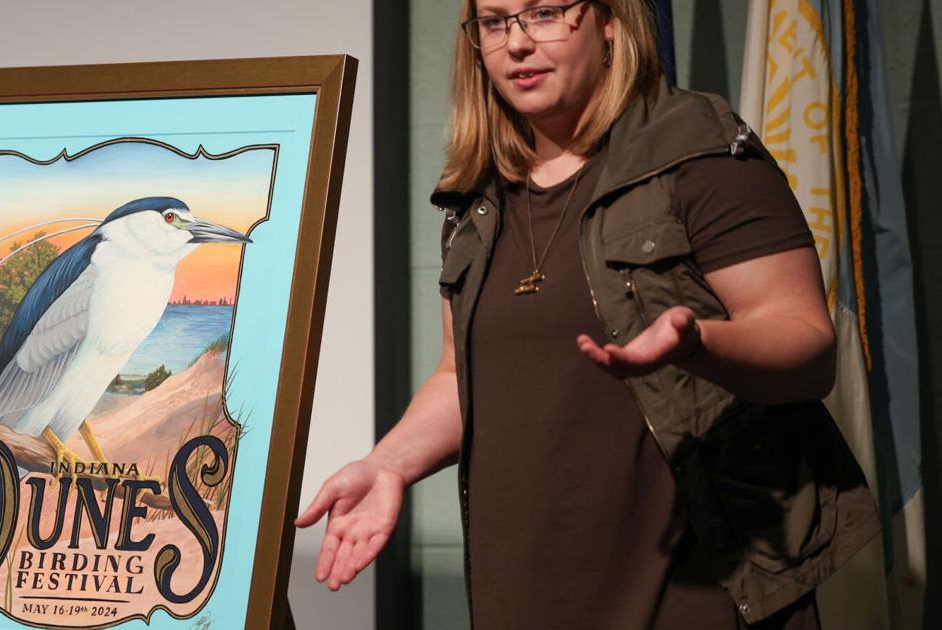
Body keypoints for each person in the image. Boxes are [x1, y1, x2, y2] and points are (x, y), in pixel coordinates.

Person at [294, 1, 881, 628]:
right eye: (495, 21)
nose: (517, 42)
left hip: (692, 590)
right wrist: (387, 465)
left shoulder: (698, 153)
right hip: (526, 589)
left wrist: (698, 344)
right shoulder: (478, 194)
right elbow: (459, 380)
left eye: (545, 12)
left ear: (609, 21)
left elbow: (807, 346)